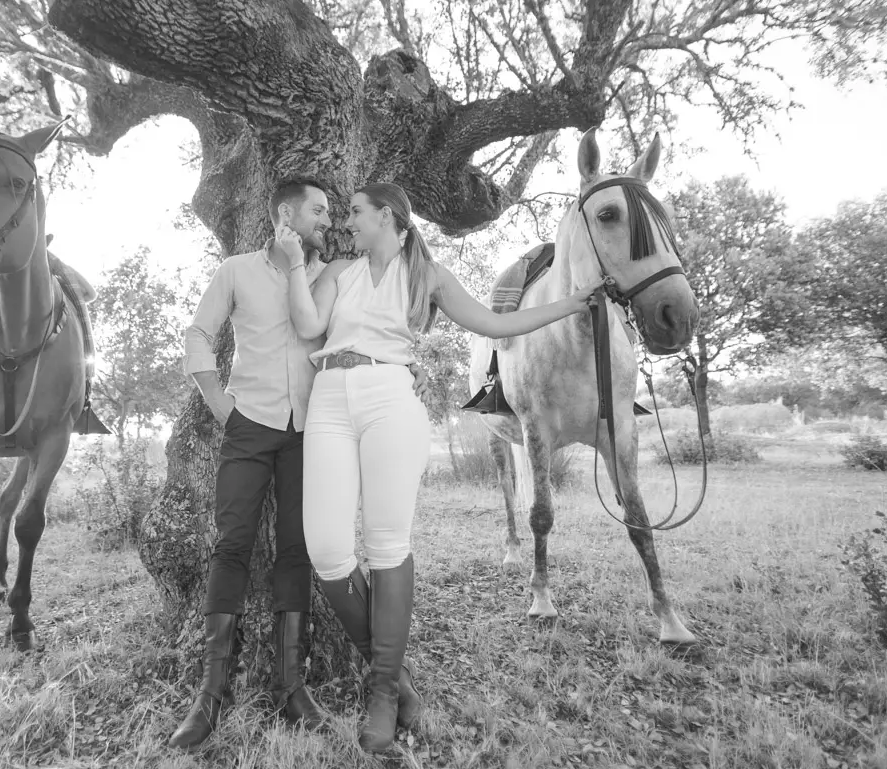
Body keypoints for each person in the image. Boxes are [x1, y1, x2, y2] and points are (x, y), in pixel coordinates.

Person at [277, 182, 600, 753]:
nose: (347, 221)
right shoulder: (339, 272)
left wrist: (571, 304)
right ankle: (397, 678)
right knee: (326, 550)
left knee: (386, 546)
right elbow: (307, 326)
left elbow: (495, 325)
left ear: (387, 216)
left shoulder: (427, 275)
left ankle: (382, 692)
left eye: (356, 212)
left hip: (389, 396)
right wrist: (295, 265)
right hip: (329, 397)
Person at [171, 178, 428, 750]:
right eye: (318, 211)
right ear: (286, 214)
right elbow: (199, 333)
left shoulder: (333, 276)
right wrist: (219, 404)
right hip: (249, 422)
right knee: (232, 544)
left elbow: (366, 332)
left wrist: (406, 366)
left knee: (297, 551)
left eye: (334, 213)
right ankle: (210, 692)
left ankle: (292, 686)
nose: (328, 222)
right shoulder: (236, 271)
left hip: (309, 430)